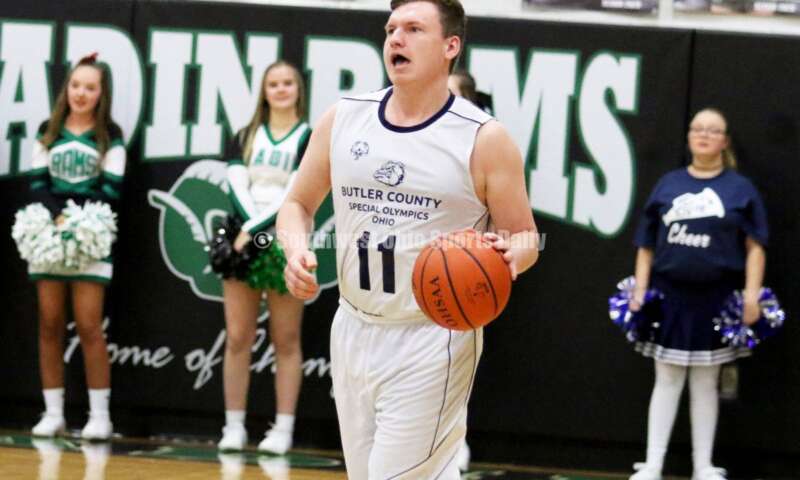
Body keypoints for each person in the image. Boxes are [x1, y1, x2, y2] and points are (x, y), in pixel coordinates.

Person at [277, 1, 539, 478]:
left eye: (414, 29)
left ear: (450, 46)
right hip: (352, 326)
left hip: (434, 335)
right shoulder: (344, 118)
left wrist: (508, 257)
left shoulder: (484, 138)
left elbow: (523, 234)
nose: (396, 38)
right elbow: (296, 204)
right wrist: (295, 251)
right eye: (391, 28)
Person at [628, 108, 769, 480]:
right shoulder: (668, 184)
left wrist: (752, 295)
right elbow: (645, 243)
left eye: (713, 130)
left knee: (707, 381)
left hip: (716, 298)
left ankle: (703, 466)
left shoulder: (740, 189)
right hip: (669, 296)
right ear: (689, 136)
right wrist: (640, 289)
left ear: (725, 141)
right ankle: (653, 464)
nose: (704, 135)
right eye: (698, 129)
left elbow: (756, 246)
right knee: (667, 378)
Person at [27, 53, 126, 440]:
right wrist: (57, 219)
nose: (81, 93)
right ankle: (53, 413)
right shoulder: (48, 130)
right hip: (48, 238)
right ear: (66, 89)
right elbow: (37, 183)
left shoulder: (109, 134)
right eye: (75, 86)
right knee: (49, 324)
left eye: (90, 87)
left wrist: (78, 221)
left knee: (89, 326)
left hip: (90, 236)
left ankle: (100, 416)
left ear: (101, 94)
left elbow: (112, 189)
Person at [216, 61, 311, 454]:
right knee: (238, 337)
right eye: (273, 83)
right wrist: (249, 230)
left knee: (286, 339)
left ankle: (283, 430)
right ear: (264, 90)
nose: (281, 89)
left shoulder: (308, 137)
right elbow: (236, 186)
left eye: (288, 82)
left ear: (298, 89)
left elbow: (297, 192)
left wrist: (254, 230)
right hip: (242, 243)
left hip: (284, 240)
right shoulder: (245, 135)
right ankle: (234, 426)